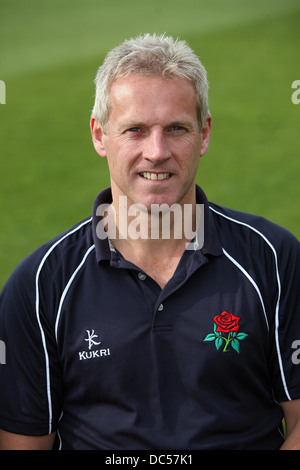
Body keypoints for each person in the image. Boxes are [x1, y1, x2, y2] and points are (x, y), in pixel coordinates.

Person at [0, 33, 300, 451]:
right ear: (100, 135)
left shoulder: (273, 258)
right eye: (135, 130)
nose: (156, 152)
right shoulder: (38, 285)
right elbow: (23, 444)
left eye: (176, 128)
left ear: (205, 134)